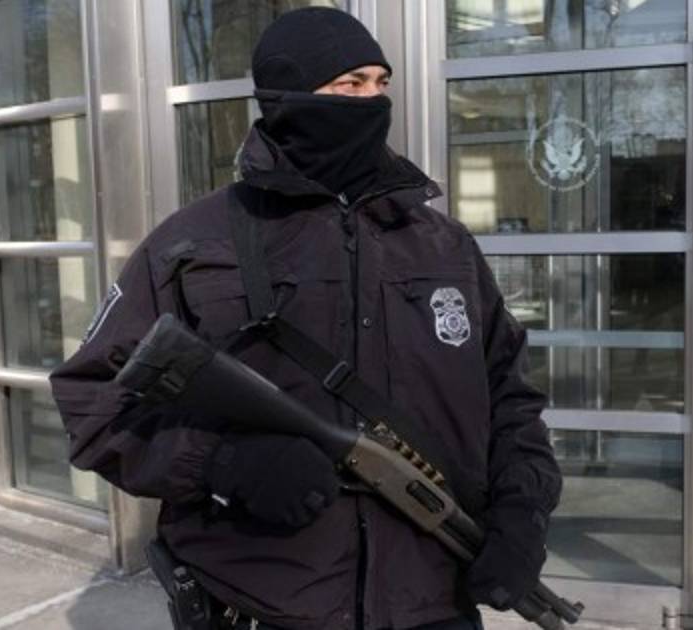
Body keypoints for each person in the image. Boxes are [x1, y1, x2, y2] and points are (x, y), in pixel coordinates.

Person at [50, 7, 561, 630]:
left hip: (431, 601)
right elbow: (93, 402)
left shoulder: (443, 245)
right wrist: (221, 465)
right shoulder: (193, 243)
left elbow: (511, 398)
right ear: (284, 98)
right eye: (350, 84)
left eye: (380, 83)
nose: (372, 100)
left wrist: (523, 512)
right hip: (261, 602)